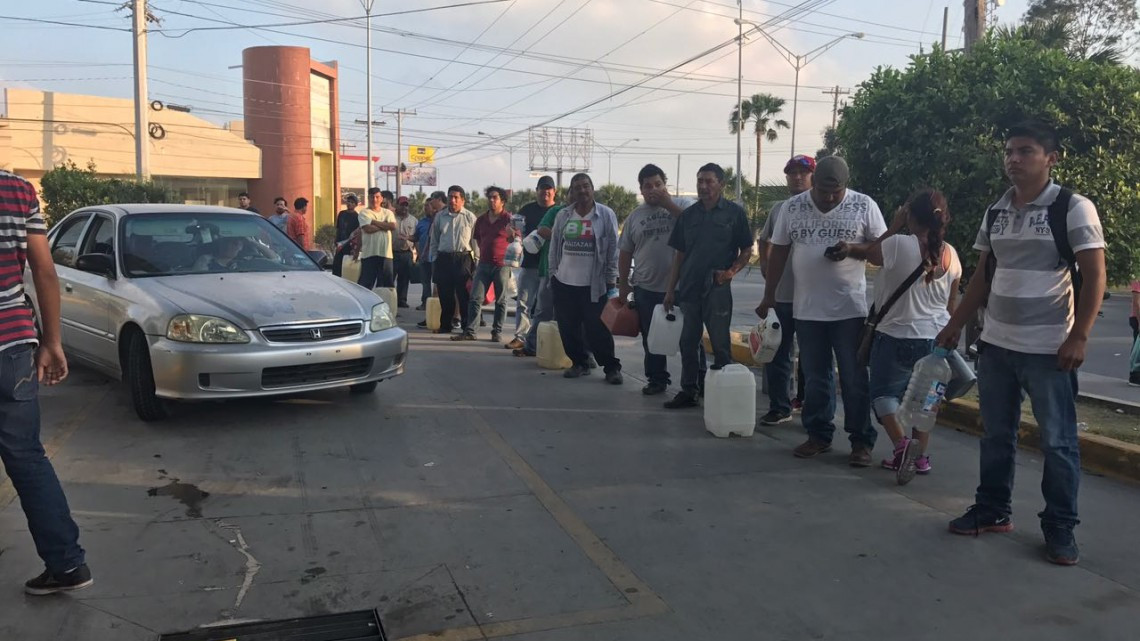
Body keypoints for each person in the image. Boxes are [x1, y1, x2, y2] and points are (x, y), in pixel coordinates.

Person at [935, 121, 1105, 566]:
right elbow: (982, 278)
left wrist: (1079, 335)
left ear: (1051, 157)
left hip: (1050, 350)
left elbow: (1095, 276)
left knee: (1058, 442)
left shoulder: (1072, 207)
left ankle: (1060, 527)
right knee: (996, 436)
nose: (1013, 159)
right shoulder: (997, 210)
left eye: (1025, 151)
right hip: (996, 346)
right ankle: (992, 510)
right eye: (1009, 151)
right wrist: (955, 324)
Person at [756, 156, 886, 464]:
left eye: (835, 192)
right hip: (807, 310)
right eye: (824, 192)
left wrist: (853, 250)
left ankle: (861, 441)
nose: (828, 198)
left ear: (845, 186)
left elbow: (881, 254)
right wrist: (769, 295)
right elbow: (778, 254)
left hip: (849, 311)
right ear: (815, 183)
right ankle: (818, 435)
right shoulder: (793, 207)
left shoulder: (864, 205)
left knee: (854, 377)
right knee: (815, 377)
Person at [828, 189, 961, 485]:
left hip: (897, 335)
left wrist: (895, 224)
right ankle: (920, 458)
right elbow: (950, 306)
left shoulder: (900, 244)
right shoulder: (952, 255)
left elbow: (871, 252)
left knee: (883, 396)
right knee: (923, 402)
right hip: (935, 340)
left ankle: (903, 449)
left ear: (911, 215)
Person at [0, 169, 92, 595]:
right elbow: (44, 271)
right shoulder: (17, 189)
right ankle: (68, 565)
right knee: (27, 458)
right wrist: (52, 342)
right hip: (14, 345)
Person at [663, 163, 752, 409]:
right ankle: (689, 390)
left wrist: (731, 272)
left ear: (721, 184)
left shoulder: (734, 214)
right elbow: (679, 255)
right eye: (700, 180)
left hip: (717, 289)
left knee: (721, 344)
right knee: (688, 342)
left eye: (709, 181)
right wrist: (671, 290)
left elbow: (747, 250)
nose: (703, 186)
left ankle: (725, 394)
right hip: (689, 288)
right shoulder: (688, 216)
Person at [618, 164, 692, 396]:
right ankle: (657, 379)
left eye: (658, 184)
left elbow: (696, 226)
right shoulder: (635, 217)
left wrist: (667, 204)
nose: (653, 190)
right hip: (646, 287)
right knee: (652, 338)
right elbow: (625, 252)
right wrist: (623, 284)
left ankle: (694, 384)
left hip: (681, 287)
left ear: (665, 184)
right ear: (640, 189)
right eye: (648, 186)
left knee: (689, 339)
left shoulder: (683, 206)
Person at [548, 173, 623, 383]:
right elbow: (554, 246)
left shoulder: (605, 215)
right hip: (564, 282)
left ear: (592, 188)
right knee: (568, 328)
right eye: (578, 187)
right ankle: (579, 363)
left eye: (586, 186)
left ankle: (611, 368)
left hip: (593, 284)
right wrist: (554, 274)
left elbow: (613, 250)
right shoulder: (564, 215)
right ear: (572, 191)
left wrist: (611, 280)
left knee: (597, 329)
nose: (582, 190)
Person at [756, 155, 815, 423]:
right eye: (792, 173)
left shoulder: (820, 207)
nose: (797, 177)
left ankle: (808, 404)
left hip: (812, 299)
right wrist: (766, 265)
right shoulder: (779, 208)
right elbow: (764, 239)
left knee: (812, 358)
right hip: (781, 296)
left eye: (803, 172)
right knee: (779, 354)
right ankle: (780, 407)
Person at [507, 176, 558, 350]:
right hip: (529, 264)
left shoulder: (560, 211)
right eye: (542, 188)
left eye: (549, 188)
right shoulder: (527, 210)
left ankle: (540, 341)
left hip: (550, 267)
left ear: (554, 191)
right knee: (523, 303)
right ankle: (520, 337)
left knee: (545, 309)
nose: (545, 191)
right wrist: (512, 232)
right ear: (537, 190)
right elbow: (515, 230)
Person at [515, 186, 566, 358]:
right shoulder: (556, 212)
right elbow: (542, 229)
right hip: (546, 269)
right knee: (539, 310)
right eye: (574, 191)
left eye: (549, 189)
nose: (578, 195)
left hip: (577, 275)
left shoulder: (593, 216)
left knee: (573, 315)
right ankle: (528, 344)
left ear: (555, 192)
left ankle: (580, 354)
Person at [463, 186, 516, 342]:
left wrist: (511, 235)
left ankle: (496, 332)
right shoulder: (481, 219)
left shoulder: (509, 219)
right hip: (484, 264)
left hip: (502, 265)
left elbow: (516, 241)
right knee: (475, 297)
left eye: (495, 198)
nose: (492, 200)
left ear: (503, 201)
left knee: (501, 300)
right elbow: (477, 238)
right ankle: (471, 331)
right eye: (490, 198)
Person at [430, 186, 478, 335]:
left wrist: (476, 260)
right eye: (450, 196)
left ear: (463, 200)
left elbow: (475, 240)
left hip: (463, 258)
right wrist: (434, 258)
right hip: (444, 258)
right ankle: (445, 326)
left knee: (464, 295)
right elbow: (434, 239)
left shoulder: (470, 217)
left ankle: (466, 327)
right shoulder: (440, 216)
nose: (453, 200)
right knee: (445, 295)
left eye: (456, 197)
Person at [357, 187, 398, 290]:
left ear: (381, 199)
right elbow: (367, 229)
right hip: (369, 254)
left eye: (377, 197)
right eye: (371, 197)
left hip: (386, 254)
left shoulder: (388, 213)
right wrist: (385, 225)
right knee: (365, 286)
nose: (374, 199)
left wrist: (373, 221)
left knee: (386, 287)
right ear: (368, 198)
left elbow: (392, 226)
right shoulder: (364, 213)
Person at [414, 193, 443, 314]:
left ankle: (437, 307)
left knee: (438, 284)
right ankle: (425, 303)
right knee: (425, 282)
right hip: (425, 256)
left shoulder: (439, 219)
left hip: (437, 257)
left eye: (429, 205)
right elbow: (416, 237)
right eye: (425, 206)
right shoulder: (421, 222)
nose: (426, 208)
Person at [393, 196, 418, 308]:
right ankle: (391, 300)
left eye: (406, 205)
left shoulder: (413, 220)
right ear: (397, 205)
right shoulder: (391, 218)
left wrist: (418, 254)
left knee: (404, 278)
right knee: (389, 278)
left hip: (406, 253)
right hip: (392, 252)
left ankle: (402, 300)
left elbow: (416, 237)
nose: (404, 207)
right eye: (402, 205)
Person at [332, 193, 360, 277]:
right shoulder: (341, 214)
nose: (349, 204)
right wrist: (336, 240)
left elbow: (357, 233)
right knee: (337, 265)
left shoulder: (357, 217)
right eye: (348, 201)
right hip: (340, 244)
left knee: (346, 266)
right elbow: (338, 228)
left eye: (352, 202)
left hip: (349, 245)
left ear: (355, 205)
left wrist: (355, 247)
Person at [1129, 279, 1139, 386]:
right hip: (1137, 318)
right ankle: (1134, 376)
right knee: (1138, 348)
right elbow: (1136, 303)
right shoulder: (1137, 279)